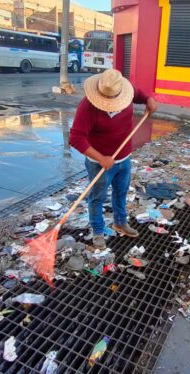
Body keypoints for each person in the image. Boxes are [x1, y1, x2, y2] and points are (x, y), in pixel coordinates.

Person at [70, 69, 158, 249]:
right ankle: (98, 231)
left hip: (124, 158)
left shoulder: (126, 91)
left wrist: (149, 100)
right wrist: (101, 158)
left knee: (121, 192)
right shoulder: (87, 107)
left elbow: (140, 95)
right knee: (97, 198)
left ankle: (120, 222)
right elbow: (76, 138)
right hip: (99, 164)